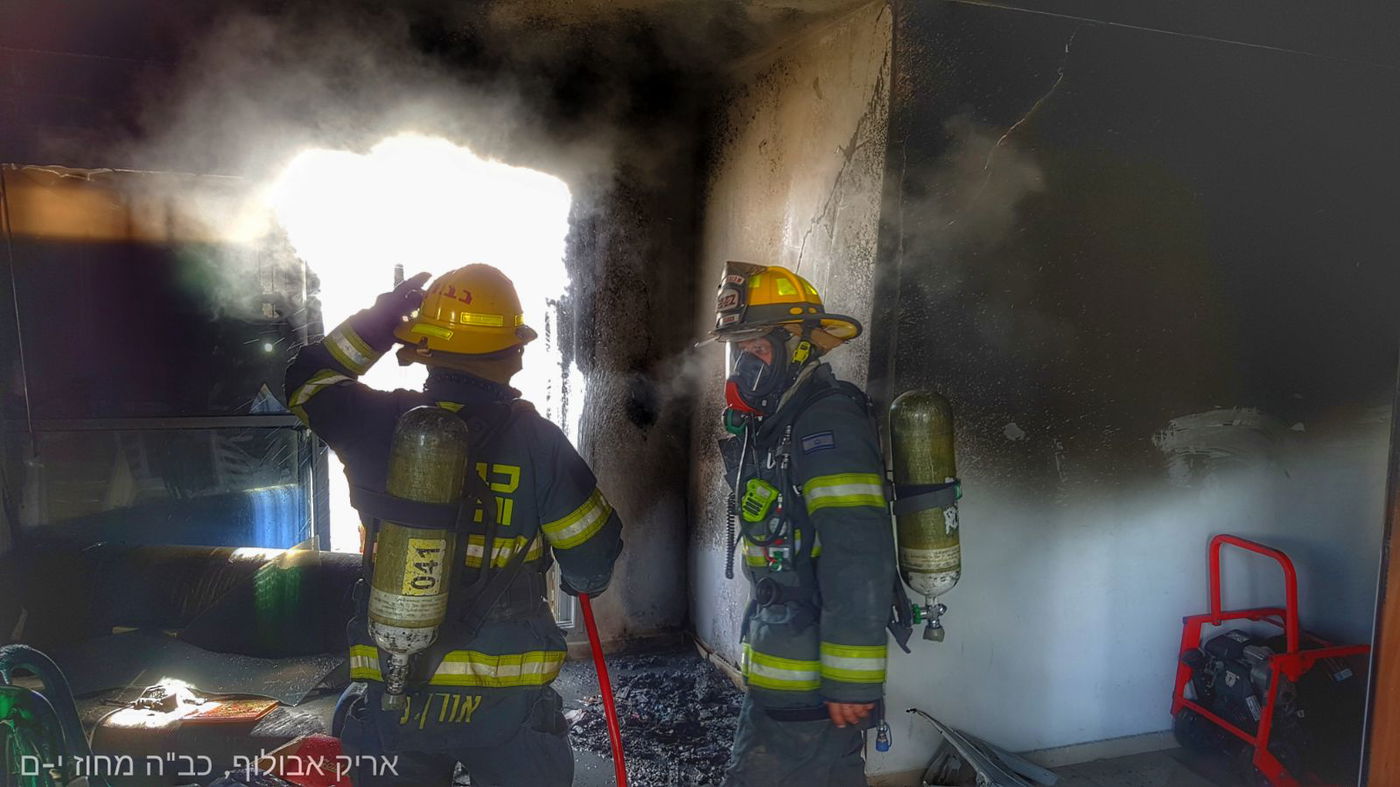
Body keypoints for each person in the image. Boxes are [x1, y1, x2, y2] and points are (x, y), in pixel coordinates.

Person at [284, 264, 623, 786]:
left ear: (424, 349)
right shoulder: (540, 443)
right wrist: (579, 581)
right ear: (512, 353)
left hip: (396, 687)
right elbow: (592, 561)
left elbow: (306, 382)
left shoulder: (375, 422)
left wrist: (379, 322)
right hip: (508, 702)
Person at [709, 261, 899, 785]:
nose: (745, 362)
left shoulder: (825, 422)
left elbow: (858, 553)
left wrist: (851, 682)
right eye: (739, 349)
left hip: (809, 681)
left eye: (758, 347)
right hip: (787, 663)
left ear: (798, 346)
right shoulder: (778, 424)